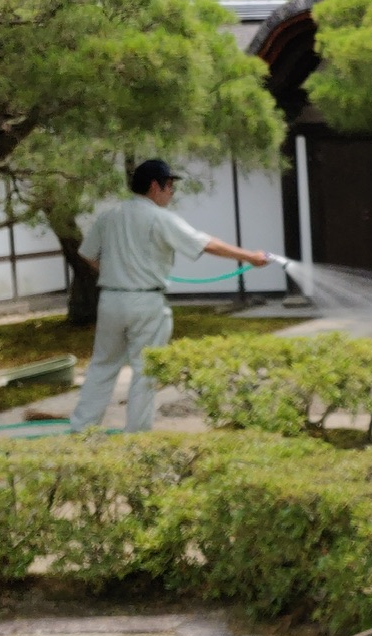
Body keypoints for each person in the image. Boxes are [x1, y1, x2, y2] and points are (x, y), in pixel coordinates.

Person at [69, 159, 272, 433]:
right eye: (170, 186)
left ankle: (82, 431)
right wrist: (250, 256)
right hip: (146, 302)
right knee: (146, 369)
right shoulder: (160, 218)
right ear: (155, 186)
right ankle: (137, 437)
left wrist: (116, 272)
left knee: (102, 366)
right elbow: (205, 243)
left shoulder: (110, 215)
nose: (172, 193)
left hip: (111, 299)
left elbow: (87, 254)